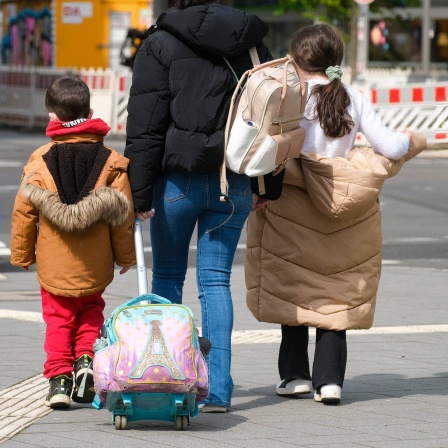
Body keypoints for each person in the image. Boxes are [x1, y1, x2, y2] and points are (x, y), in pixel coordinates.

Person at [245, 24, 427, 404]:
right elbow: (391, 147)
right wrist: (413, 139)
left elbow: (262, 149)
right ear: (336, 61)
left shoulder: (288, 99)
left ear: (295, 60)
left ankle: (293, 375)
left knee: (292, 288)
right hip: (344, 211)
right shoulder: (354, 98)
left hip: (291, 208)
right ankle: (329, 381)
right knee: (335, 293)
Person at [124, 0, 271, 412]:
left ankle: (169, 380)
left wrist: (137, 193)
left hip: (177, 181)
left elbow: (146, 125)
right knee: (216, 282)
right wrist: (267, 185)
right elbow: (272, 118)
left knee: (168, 278)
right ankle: (219, 389)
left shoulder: (160, 43)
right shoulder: (252, 41)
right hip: (236, 178)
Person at [10, 76, 136, 409]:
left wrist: (22, 255)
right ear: (90, 110)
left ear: (52, 117)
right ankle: (84, 360)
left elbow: (24, 213)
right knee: (91, 311)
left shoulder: (39, 160)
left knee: (58, 319)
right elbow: (123, 215)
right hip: (95, 262)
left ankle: (58, 381)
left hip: (54, 264)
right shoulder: (111, 161)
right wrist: (126, 257)